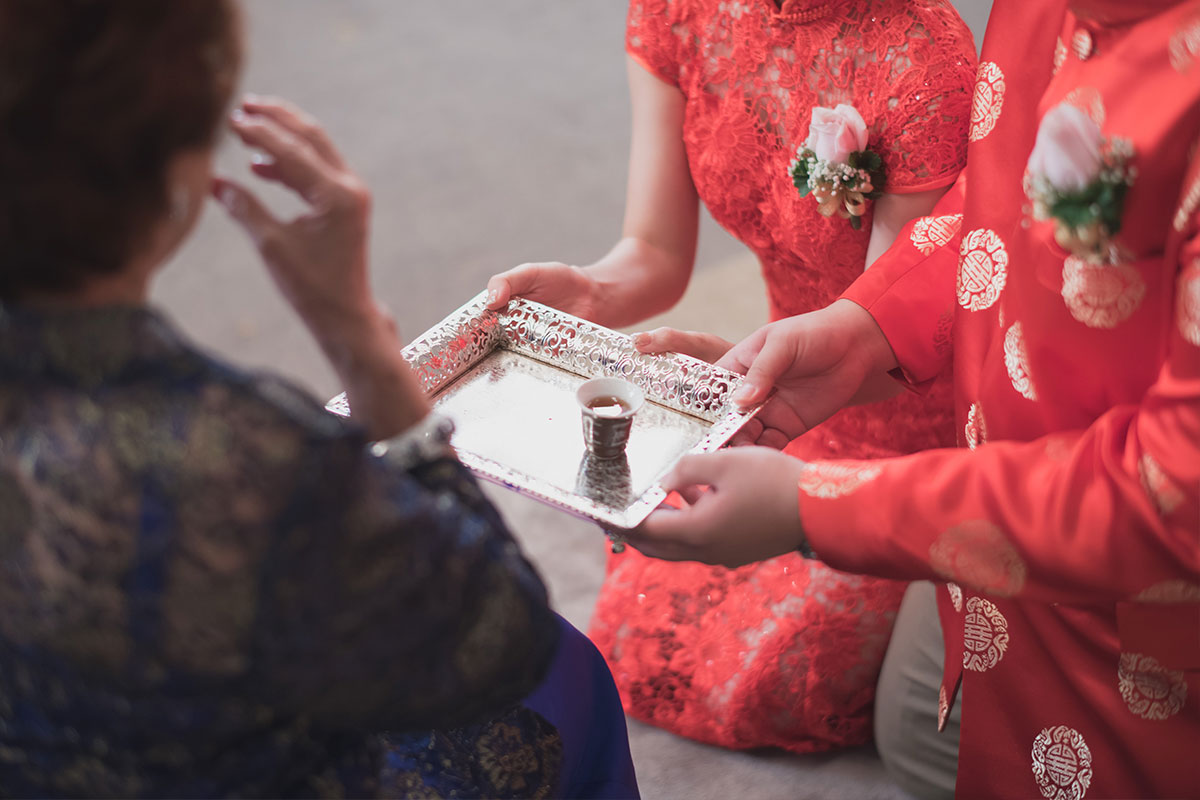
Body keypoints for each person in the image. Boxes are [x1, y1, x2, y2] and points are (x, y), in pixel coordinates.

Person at [0, 2, 637, 797]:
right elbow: (499, 637)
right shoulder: (239, 456)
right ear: (181, 177)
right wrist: (360, 340)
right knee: (563, 682)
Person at [626, 0, 1200, 797]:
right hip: (992, 516)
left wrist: (817, 508)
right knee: (914, 731)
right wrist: (863, 328)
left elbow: (1175, 500)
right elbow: (997, 205)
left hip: (1146, 629)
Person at [486, 0, 977, 754]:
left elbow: (886, 335)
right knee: (643, 612)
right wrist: (589, 292)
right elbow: (652, 251)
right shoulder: (676, 11)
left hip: (899, 410)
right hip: (762, 390)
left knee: (776, 670)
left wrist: (749, 369)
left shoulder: (924, 58)